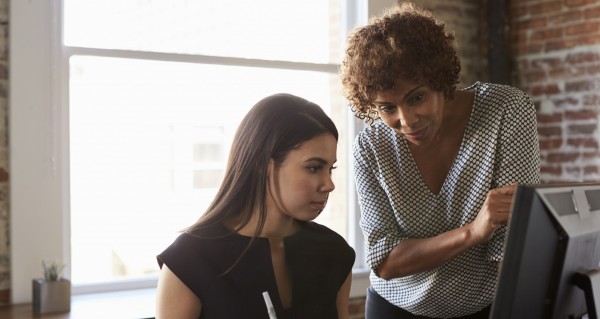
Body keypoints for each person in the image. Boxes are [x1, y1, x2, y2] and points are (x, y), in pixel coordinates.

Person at [340, 2, 540, 319]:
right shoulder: (370, 146)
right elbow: (385, 261)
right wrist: (472, 232)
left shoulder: (506, 111)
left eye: (416, 97)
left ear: (441, 79)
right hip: (394, 307)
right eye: (387, 108)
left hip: (481, 308)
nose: (406, 120)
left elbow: (510, 241)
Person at [155, 93, 356, 319]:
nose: (329, 185)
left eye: (330, 169)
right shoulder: (189, 260)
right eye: (313, 168)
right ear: (263, 164)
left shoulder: (334, 252)